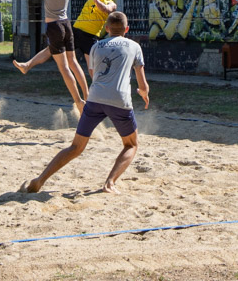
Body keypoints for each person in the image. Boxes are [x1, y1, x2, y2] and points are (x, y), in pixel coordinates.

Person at [21, 10, 150, 195]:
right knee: (131, 145)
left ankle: (39, 180)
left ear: (106, 29)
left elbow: (93, 73)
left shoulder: (97, 47)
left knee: (76, 147)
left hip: (95, 98)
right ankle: (110, 183)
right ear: (126, 29)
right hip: (119, 100)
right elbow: (142, 83)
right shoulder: (134, 46)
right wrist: (144, 93)